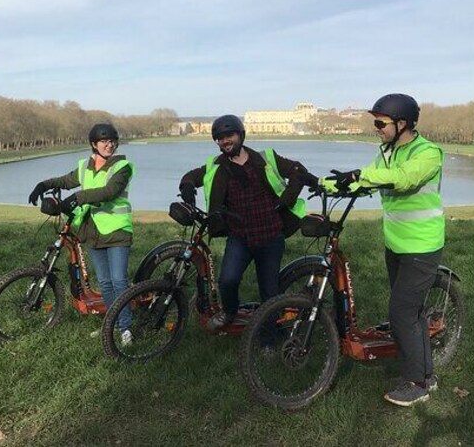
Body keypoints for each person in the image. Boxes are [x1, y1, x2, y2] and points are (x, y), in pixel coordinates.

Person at [324, 94, 444, 407]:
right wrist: (325, 183)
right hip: (397, 244)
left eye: (381, 123)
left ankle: (416, 384)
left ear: (402, 124)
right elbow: (365, 180)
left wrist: (361, 176)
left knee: (402, 312)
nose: (376, 128)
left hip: (422, 245)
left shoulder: (429, 153)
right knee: (413, 313)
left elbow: (404, 180)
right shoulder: (386, 153)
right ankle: (427, 376)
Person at [178, 114, 317, 331]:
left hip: (270, 235)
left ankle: (269, 338)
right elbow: (191, 176)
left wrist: (286, 200)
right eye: (220, 138)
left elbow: (297, 171)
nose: (225, 141)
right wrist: (186, 186)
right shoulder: (215, 165)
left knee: (269, 293)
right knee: (228, 281)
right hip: (239, 237)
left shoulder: (266, 158)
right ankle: (229, 311)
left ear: (241, 135)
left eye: (229, 135)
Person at [28, 123, 135, 343]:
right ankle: (112, 325)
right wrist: (43, 184)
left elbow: (109, 192)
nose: (109, 145)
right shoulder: (84, 166)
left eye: (112, 141)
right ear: (94, 145)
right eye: (104, 141)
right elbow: (66, 181)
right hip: (92, 231)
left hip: (116, 231)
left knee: (119, 281)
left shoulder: (122, 166)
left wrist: (78, 197)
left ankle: (126, 328)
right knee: (104, 282)